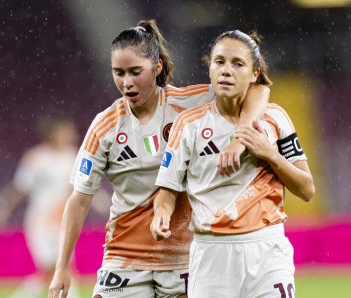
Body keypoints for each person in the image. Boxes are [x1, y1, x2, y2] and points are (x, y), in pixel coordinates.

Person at [48, 20, 269, 298]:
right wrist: (61, 269)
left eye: (135, 72)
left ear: (157, 67)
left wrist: (240, 137)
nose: (126, 82)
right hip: (123, 259)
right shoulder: (104, 126)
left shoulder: (190, 103)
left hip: (184, 257)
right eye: (119, 73)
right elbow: (79, 201)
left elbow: (257, 89)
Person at [151, 30, 314, 297]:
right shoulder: (188, 124)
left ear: (254, 73)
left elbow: (307, 190)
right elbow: (167, 190)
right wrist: (161, 214)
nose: (226, 70)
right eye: (219, 62)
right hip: (211, 254)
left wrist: (270, 155)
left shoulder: (275, 119)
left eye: (238, 64)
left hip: (267, 249)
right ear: (210, 67)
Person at [0, 118, 82, 298]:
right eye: (66, 131)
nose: (71, 134)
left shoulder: (73, 157)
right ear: (54, 133)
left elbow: (82, 187)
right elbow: (19, 188)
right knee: (52, 267)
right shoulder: (37, 159)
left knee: (62, 267)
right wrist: (2, 208)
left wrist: (102, 203)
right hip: (40, 221)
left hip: (63, 220)